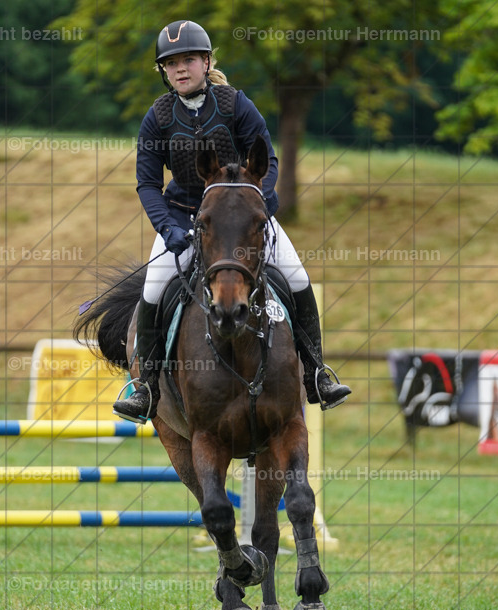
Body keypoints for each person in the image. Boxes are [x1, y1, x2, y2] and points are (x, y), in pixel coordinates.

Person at [113, 19, 351, 423]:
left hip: (243, 217)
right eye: (171, 64)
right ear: (164, 72)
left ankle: (316, 374)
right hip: (183, 220)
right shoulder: (157, 118)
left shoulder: (235, 103)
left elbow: (269, 161)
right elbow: (148, 184)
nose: (180, 69)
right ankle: (146, 388)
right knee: (152, 293)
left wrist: (259, 203)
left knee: (297, 278)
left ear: (207, 62)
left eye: (188, 60)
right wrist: (168, 228)